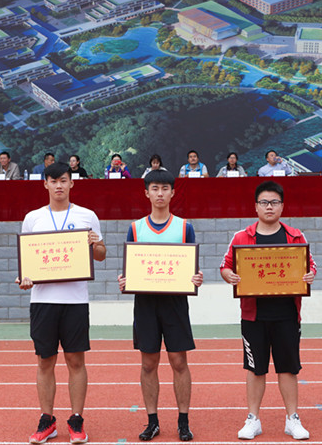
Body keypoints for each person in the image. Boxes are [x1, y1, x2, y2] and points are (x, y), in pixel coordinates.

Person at [16, 162, 107, 444]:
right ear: (45, 183)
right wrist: (24, 278)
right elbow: (26, 261)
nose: (59, 186)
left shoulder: (87, 216)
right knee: (45, 361)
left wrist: (95, 244)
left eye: (63, 180)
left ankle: (76, 420)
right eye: (53, 181)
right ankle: (47, 420)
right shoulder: (33, 218)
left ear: (71, 183)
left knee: (76, 361)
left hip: (75, 301)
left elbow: (101, 255)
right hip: (43, 300)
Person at [220, 181, 316, 440]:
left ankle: (292, 419)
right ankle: (253, 419)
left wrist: (309, 275)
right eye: (264, 202)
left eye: (274, 202)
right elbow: (225, 266)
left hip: (287, 314)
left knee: (288, 368)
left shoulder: (296, 236)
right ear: (256, 206)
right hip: (254, 315)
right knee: (255, 368)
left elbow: (311, 265)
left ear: (282, 206)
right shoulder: (241, 237)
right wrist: (229, 276)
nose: (269, 207)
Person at [117, 170, 203, 442]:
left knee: (179, 361)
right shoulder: (135, 228)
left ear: (173, 192)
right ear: (147, 193)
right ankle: (152, 421)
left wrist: (196, 278)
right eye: (155, 188)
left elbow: (191, 267)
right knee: (148, 363)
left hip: (175, 302)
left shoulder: (184, 227)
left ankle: (183, 421)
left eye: (165, 188)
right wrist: (125, 281)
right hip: (145, 302)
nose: (160, 193)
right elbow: (131, 267)